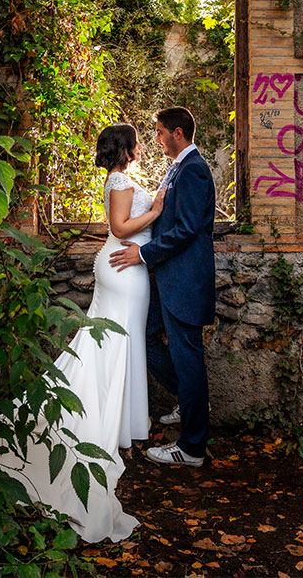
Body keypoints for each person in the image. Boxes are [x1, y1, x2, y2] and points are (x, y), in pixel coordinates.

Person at [0, 124, 165, 542]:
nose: (143, 145)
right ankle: (103, 421)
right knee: (113, 343)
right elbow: (122, 227)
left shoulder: (119, 177)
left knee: (110, 344)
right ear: (126, 147)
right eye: (138, 140)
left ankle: (118, 420)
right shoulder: (121, 179)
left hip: (124, 267)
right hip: (125, 266)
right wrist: (158, 210)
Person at [110, 106, 216, 467]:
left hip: (184, 281)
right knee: (149, 335)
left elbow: (185, 230)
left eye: (159, 132)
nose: (155, 139)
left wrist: (144, 253)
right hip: (169, 279)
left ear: (178, 134)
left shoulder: (194, 171)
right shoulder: (179, 168)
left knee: (188, 356)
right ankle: (191, 403)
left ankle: (191, 448)